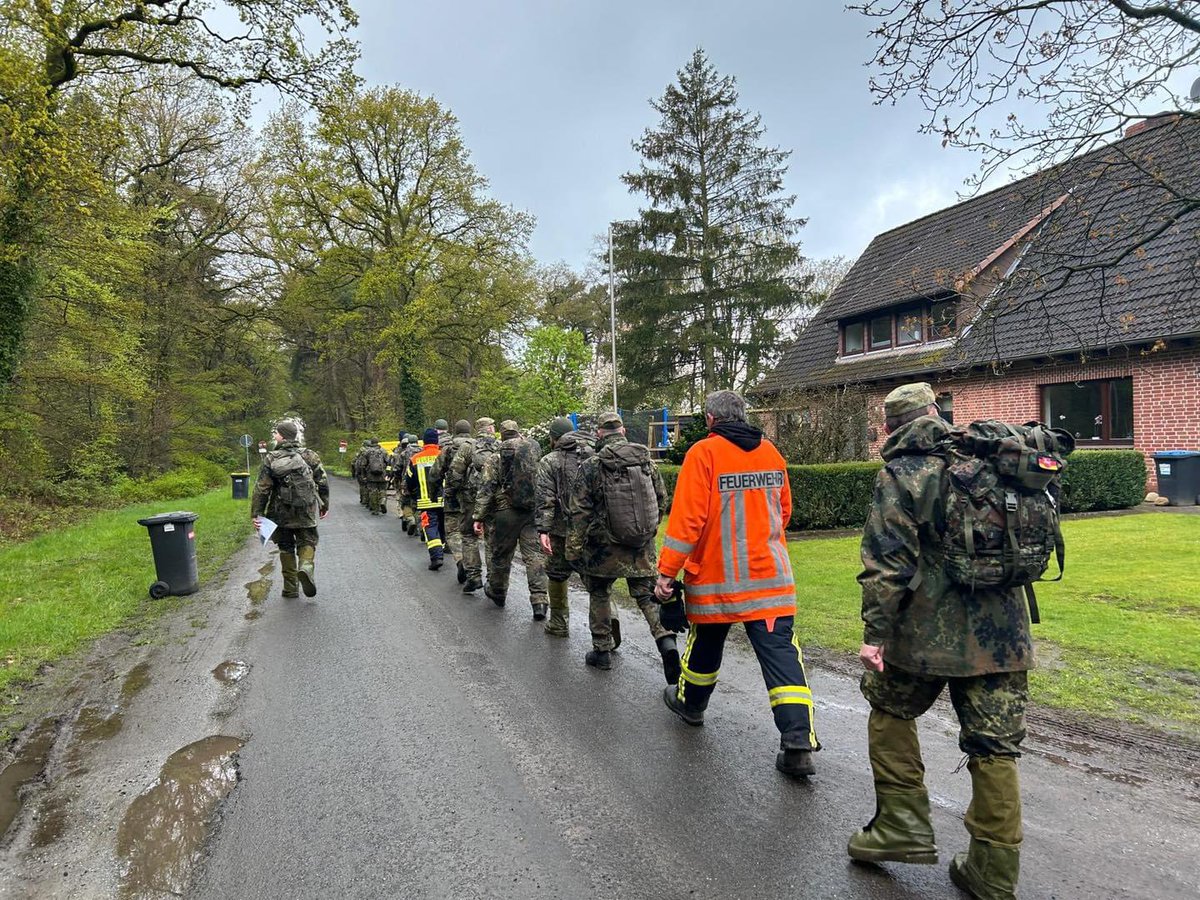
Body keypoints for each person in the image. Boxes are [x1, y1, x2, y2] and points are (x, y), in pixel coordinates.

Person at [847, 383, 1032, 900]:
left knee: (889, 712)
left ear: (890, 427)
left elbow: (886, 564)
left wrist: (874, 637)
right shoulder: (993, 460)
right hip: (1003, 637)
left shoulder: (903, 472)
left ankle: (900, 828)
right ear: (936, 414)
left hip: (923, 634)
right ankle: (994, 872)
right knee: (995, 748)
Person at [655, 390, 819, 778]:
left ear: (710, 420)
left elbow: (686, 522)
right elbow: (784, 511)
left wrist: (667, 574)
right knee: (783, 661)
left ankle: (691, 705)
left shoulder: (703, 453)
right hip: (770, 580)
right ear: (743, 416)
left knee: (705, 647)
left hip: (717, 580)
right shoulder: (771, 453)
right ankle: (798, 743)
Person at [568, 411, 680, 682]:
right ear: (623, 431)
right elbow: (661, 499)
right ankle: (666, 640)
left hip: (602, 548)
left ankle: (602, 651)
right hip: (640, 545)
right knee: (646, 595)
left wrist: (573, 548)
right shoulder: (646, 462)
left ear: (599, 434)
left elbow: (579, 511)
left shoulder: (593, 465)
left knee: (600, 594)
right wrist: (648, 532)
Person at [473, 419, 549, 619]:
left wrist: (479, 517)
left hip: (505, 512)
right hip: (531, 511)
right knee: (534, 556)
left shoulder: (496, 457)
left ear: (501, 434)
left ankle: (498, 592)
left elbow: (486, 489)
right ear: (518, 432)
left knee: (501, 555)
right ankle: (539, 600)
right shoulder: (532, 452)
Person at [251, 419, 329, 598]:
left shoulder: (271, 458)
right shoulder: (310, 456)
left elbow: (262, 488)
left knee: (285, 546)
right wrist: (324, 505)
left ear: (282, 436)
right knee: (307, 542)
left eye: (276, 433)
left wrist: (257, 513)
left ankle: (290, 588)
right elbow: (322, 482)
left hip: (280, 512)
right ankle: (306, 567)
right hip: (306, 510)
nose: (275, 436)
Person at [535, 417, 594, 637]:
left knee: (557, 575)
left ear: (553, 438)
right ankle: (609, 620)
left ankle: (559, 623)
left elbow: (545, 499)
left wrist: (543, 530)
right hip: (591, 529)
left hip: (561, 530)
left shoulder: (550, 461)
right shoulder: (593, 455)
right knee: (596, 580)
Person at [454, 417, 497, 594]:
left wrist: (452, 494)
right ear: (491, 429)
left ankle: (473, 576)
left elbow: (455, 473)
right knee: (491, 539)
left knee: (469, 535)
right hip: (494, 499)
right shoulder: (500, 446)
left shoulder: (468, 446)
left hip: (471, 498)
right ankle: (492, 579)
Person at [430, 419, 474, 583]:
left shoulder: (448, 448)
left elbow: (435, 474)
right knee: (470, 534)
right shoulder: (476, 446)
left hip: (452, 497)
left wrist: (434, 494)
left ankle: (460, 559)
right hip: (473, 498)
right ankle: (473, 566)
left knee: (453, 531)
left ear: (454, 431)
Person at [407, 427, 445, 570]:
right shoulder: (443, 454)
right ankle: (443, 547)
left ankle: (436, 556)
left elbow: (409, 480)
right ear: (437, 441)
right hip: (444, 500)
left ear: (424, 441)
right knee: (442, 526)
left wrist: (412, 494)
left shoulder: (416, 458)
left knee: (430, 526)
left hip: (425, 501)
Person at [361, 438, 389, 516]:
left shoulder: (367, 452)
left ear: (371, 443)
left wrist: (364, 475)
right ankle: (382, 501)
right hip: (382, 475)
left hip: (371, 476)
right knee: (382, 490)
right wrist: (387, 473)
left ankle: (375, 509)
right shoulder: (383, 451)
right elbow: (389, 463)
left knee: (373, 491)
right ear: (378, 442)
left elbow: (363, 465)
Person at [351, 439, 370, 506]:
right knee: (369, 486)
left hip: (361, 472)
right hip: (370, 472)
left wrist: (353, 473)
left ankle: (363, 499)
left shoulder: (361, 451)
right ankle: (369, 501)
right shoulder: (371, 451)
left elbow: (353, 462)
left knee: (362, 486)